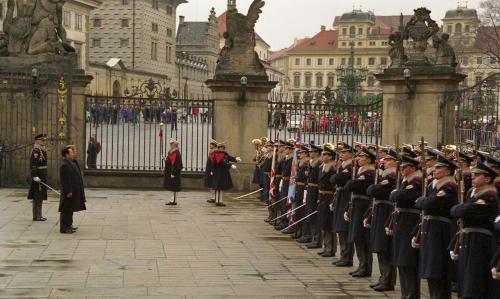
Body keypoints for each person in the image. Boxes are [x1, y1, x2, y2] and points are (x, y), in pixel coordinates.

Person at [451, 161, 500, 299]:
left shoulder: (489, 196)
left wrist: (459, 209)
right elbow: (456, 210)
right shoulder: (475, 194)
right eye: (473, 175)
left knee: (475, 283)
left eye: (477, 175)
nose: (473, 177)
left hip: (480, 243)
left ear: (487, 179)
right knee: (466, 280)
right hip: (470, 241)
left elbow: (465, 210)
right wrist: (459, 209)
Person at [415, 154, 458, 299]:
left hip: (440, 231)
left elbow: (430, 204)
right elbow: (426, 202)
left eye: (439, 167)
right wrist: (424, 201)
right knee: (431, 271)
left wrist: (423, 201)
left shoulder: (449, 186)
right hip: (432, 229)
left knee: (438, 271)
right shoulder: (436, 185)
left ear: (447, 171)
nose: (434, 170)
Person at [390, 154, 422, 299]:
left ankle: (411, 294)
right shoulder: (406, 180)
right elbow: (396, 196)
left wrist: (397, 193)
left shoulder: (416, 181)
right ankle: (405, 293)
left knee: (408, 261)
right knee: (401, 261)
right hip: (401, 221)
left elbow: (401, 196)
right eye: (401, 167)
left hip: (409, 221)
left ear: (412, 168)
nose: (402, 170)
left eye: (404, 167)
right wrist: (397, 194)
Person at [366, 148, 398, 292]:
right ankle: (383, 277)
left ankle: (388, 279)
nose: (385, 162)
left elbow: (375, 191)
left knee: (385, 247)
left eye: (390, 160)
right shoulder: (384, 174)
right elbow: (371, 190)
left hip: (386, 210)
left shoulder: (393, 177)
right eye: (386, 159)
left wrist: (374, 188)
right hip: (379, 210)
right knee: (379, 245)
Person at [345, 146, 376, 278]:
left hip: (363, 205)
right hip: (357, 204)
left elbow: (351, 186)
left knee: (362, 237)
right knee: (357, 236)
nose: (358, 159)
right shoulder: (360, 171)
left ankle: (365, 267)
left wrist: (352, 183)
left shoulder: (369, 173)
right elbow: (350, 186)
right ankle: (361, 265)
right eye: (358, 156)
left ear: (369, 160)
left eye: (362, 157)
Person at [331, 142, 355, 267]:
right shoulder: (343, 165)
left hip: (346, 197)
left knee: (344, 228)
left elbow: (336, 179)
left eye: (344, 152)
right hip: (340, 196)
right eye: (341, 152)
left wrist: (336, 175)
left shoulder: (351, 167)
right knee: (340, 228)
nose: (341, 154)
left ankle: (347, 257)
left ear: (351, 154)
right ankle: (343, 255)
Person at [59, 145, 86, 234]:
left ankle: (69, 225)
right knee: (66, 210)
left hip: (73, 190)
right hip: (68, 192)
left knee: (70, 209)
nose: (73, 154)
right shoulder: (64, 165)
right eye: (71, 152)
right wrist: (69, 191)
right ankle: (64, 228)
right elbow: (66, 180)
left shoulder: (71, 162)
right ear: (67, 154)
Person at [316, 144, 337, 257]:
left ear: (330, 156)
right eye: (323, 154)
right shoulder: (322, 166)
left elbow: (334, 185)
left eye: (325, 155)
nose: (323, 156)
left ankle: (330, 248)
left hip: (329, 196)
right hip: (322, 196)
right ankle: (326, 247)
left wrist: (332, 200)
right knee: (323, 223)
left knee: (328, 224)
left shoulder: (333, 168)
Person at [211, 142, 241, 207]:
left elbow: (230, 158)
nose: (222, 149)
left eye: (223, 148)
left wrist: (236, 159)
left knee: (221, 188)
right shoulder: (217, 154)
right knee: (218, 188)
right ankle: (217, 201)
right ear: (218, 148)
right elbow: (222, 162)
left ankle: (220, 201)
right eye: (221, 148)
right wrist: (230, 165)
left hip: (223, 173)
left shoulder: (224, 154)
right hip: (218, 173)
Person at [304, 144, 322, 249]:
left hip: (315, 190)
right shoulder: (311, 162)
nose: (310, 153)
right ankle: (312, 237)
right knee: (309, 213)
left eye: (312, 152)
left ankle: (316, 239)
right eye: (310, 152)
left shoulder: (319, 163)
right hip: (310, 189)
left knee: (314, 215)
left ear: (317, 153)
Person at [27, 134, 48, 221]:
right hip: (38, 175)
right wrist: (35, 176)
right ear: (37, 141)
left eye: (44, 140)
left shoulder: (41, 150)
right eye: (42, 140)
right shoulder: (36, 151)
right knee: (38, 196)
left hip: (42, 174)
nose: (44, 142)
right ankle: (38, 216)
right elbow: (33, 165)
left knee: (39, 196)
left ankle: (37, 215)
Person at [294, 145, 310, 241]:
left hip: (304, 187)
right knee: (298, 210)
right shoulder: (301, 162)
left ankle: (304, 234)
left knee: (303, 211)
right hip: (299, 187)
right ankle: (299, 231)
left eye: (302, 152)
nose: (300, 154)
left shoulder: (307, 162)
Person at [163, 139, 183, 205]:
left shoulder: (176, 153)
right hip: (171, 172)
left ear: (175, 145)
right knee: (172, 187)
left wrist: (174, 173)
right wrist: (165, 159)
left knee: (174, 187)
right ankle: (173, 200)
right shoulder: (172, 152)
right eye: (170, 144)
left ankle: (173, 201)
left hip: (174, 173)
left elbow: (178, 164)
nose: (170, 145)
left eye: (172, 144)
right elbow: (170, 162)